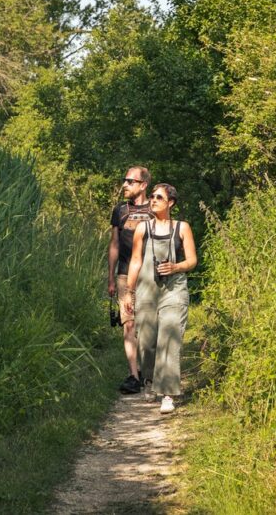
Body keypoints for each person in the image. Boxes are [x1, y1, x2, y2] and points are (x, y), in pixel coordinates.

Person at [126, 183, 197, 413]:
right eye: (152, 197)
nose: (153, 200)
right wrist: (129, 292)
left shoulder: (182, 228)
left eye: (158, 197)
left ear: (171, 203)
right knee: (146, 341)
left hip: (174, 289)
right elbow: (136, 261)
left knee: (169, 335)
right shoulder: (142, 229)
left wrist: (176, 266)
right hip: (147, 288)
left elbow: (192, 261)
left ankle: (167, 393)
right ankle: (148, 380)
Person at [108, 166, 153, 394]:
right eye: (124, 180)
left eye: (130, 181)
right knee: (129, 324)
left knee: (148, 326)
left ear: (143, 185)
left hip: (151, 276)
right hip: (125, 274)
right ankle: (134, 376)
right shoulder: (120, 211)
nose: (124, 185)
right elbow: (114, 245)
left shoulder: (155, 208)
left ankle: (149, 372)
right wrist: (111, 278)